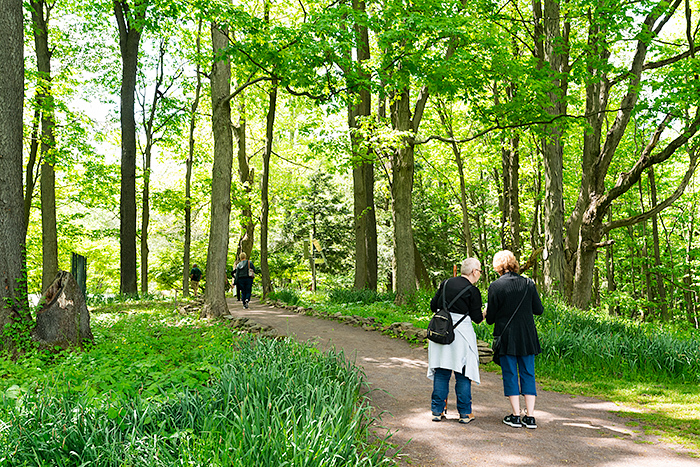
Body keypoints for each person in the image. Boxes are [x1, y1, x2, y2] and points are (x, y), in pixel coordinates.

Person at [485, 250, 544, 429]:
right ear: (514, 263)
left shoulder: (495, 286)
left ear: (498, 266)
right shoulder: (528, 283)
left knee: (510, 374)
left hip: (507, 337)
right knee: (528, 373)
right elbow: (539, 310)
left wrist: (488, 310)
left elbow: (490, 319)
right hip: (527, 336)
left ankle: (516, 415)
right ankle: (531, 416)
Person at [427, 258, 484, 424]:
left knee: (442, 372)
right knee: (463, 374)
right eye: (479, 270)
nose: (479, 273)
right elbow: (477, 318)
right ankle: (465, 413)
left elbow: (433, 306)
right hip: (461, 335)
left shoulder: (445, 283)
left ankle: (437, 411)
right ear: (474, 272)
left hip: (442, 330)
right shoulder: (472, 291)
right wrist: (485, 312)